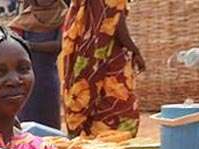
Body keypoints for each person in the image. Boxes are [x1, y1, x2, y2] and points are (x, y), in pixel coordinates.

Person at [60, 0, 146, 138]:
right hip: (108, 58)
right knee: (121, 109)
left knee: (89, 105)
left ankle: (86, 146)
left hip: (84, 54)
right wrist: (136, 51)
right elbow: (117, 24)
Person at [9, 0, 69, 129]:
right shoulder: (24, 18)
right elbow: (14, 43)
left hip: (48, 79)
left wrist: (30, 45)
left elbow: (59, 45)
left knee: (50, 122)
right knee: (25, 122)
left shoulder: (64, 16)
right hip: (24, 79)